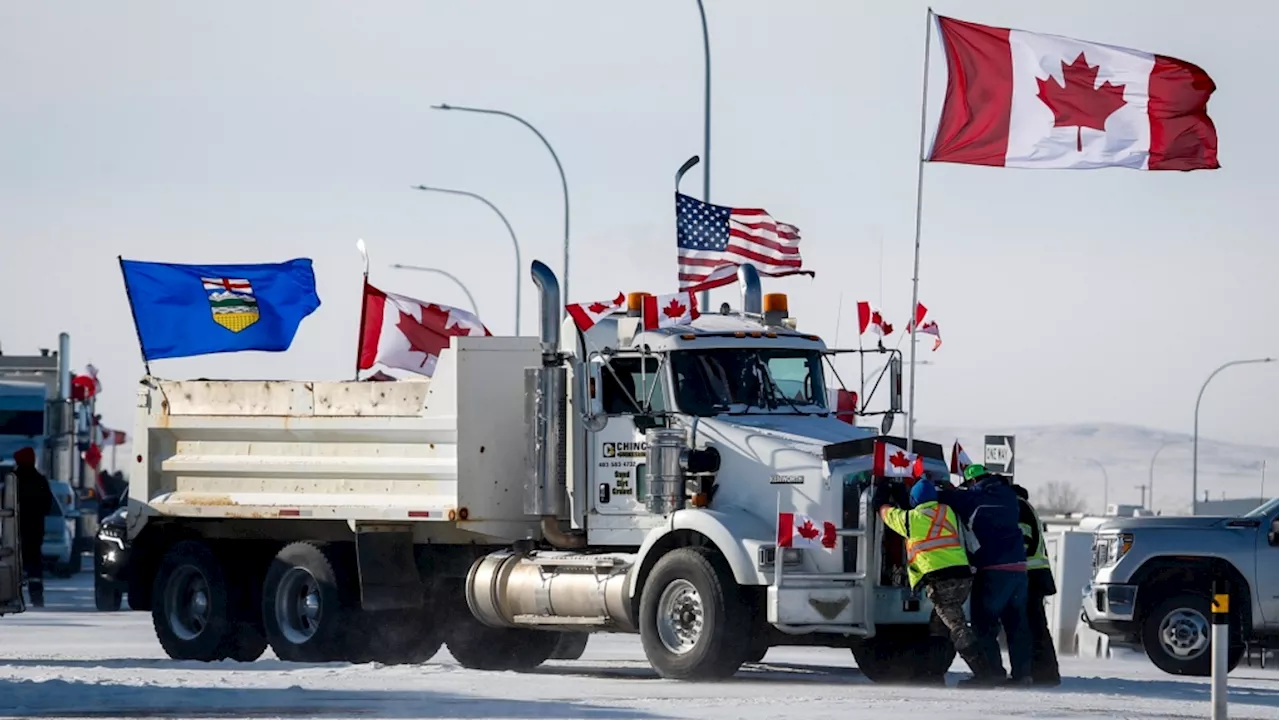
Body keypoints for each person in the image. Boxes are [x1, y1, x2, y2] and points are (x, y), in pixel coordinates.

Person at [875, 479, 993, 683]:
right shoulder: (946, 511)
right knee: (938, 625)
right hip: (963, 576)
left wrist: (884, 490)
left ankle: (984, 675)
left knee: (957, 627)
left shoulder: (910, 520)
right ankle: (932, 673)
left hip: (941, 581)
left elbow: (884, 510)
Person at [937, 464, 1032, 686]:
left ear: (972, 482)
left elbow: (942, 498)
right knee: (1017, 624)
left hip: (994, 568)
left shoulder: (973, 498)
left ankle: (992, 673)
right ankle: (1023, 675)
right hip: (1019, 569)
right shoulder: (1008, 495)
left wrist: (944, 489)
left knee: (984, 624)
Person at [1013, 483, 1061, 687]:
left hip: (1030, 574)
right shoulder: (1025, 506)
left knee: (1033, 625)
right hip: (1035, 573)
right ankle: (1045, 672)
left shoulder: (1019, 507)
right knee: (1037, 624)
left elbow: (1024, 539)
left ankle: (1044, 672)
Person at [13, 447, 52, 608]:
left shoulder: (13, 480)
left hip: (15, 529)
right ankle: (36, 597)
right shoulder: (40, 480)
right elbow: (47, 505)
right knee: (34, 566)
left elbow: (4, 503)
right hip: (35, 530)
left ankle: (13, 596)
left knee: (14, 564)